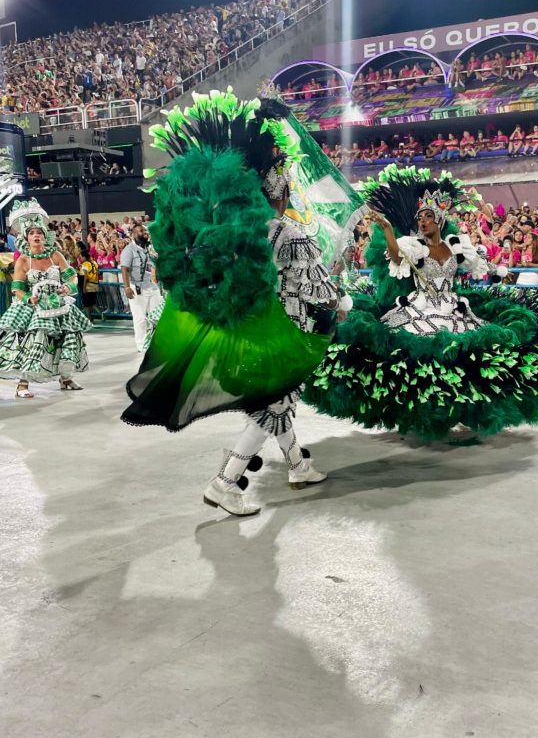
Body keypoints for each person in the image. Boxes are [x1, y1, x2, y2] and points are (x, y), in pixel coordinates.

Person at [122, 89, 356, 516]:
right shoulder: (289, 233)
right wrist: (344, 303)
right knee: (273, 406)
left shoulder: (237, 235)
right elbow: (318, 289)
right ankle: (225, 483)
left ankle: (298, 465)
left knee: (276, 402)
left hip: (244, 332)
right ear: (281, 189)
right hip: (283, 334)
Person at [304, 164, 538, 440]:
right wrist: (389, 231)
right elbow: (395, 256)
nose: (422, 221)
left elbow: (478, 265)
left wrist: (498, 272)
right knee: (419, 359)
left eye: (427, 217)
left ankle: (461, 409)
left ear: (439, 220)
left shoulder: (456, 246)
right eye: (419, 218)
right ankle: (419, 412)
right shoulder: (414, 247)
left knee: (463, 358)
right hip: (420, 307)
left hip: (453, 308)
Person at [0, 195, 89, 398]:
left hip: (59, 305)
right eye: (32, 233)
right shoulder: (23, 260)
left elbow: (72, 276)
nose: (36, 236)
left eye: (39, 232)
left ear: (45, 235)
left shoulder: (55, 255)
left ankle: (65, 378)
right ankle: (22, 384)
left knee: (66, 338)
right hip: (34, 308)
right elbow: (17, 288)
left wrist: (68, 287)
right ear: (26, 238)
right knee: (33, 342)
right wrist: (28, 299)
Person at [120, 223, 162, 351]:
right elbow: (124, 269)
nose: (145, 233)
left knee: (158, 316)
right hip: (137, 289)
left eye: (145, 231)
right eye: (141, 231)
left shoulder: (151, 248)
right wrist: (127, 287)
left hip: (153, 287)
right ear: (133, 234)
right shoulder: (129, 249)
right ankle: (142, 344)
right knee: (140, 318)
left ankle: (157, 342)